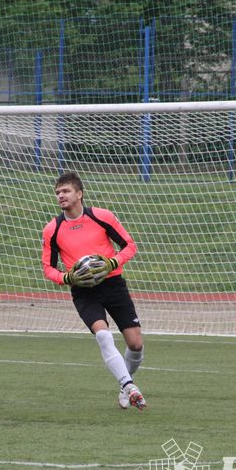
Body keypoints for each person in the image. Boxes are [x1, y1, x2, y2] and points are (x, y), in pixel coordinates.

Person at [41, 171, 146, 411]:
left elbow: (130, 246)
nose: (61, 196)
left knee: (136, 344)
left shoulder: (102, 217)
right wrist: (65, 277)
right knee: (103, 334)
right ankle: (129, 386)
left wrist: (112, 263)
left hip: (113, 285)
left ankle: (124, 387)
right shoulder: (52, 229)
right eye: (57, 192)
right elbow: (48, 268)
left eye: (66, 191)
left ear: (79, 193)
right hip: (83, 291)